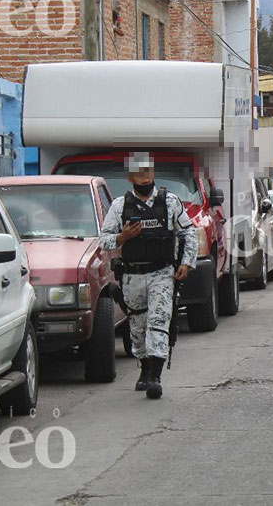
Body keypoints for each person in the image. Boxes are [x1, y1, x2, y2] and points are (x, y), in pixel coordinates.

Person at [100, 153, 198, 400]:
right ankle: (144, 368)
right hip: (133, 275)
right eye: (139, 173)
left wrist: (186, 263)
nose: (144, 177)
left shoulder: (170, 202)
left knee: (159, 319)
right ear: (130, 177)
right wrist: (123, 238)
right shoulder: (120, 206)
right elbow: (104, 240)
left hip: (162, 273)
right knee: (137, 328)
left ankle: (155, 376)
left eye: (148, 171)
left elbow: (189, 233)